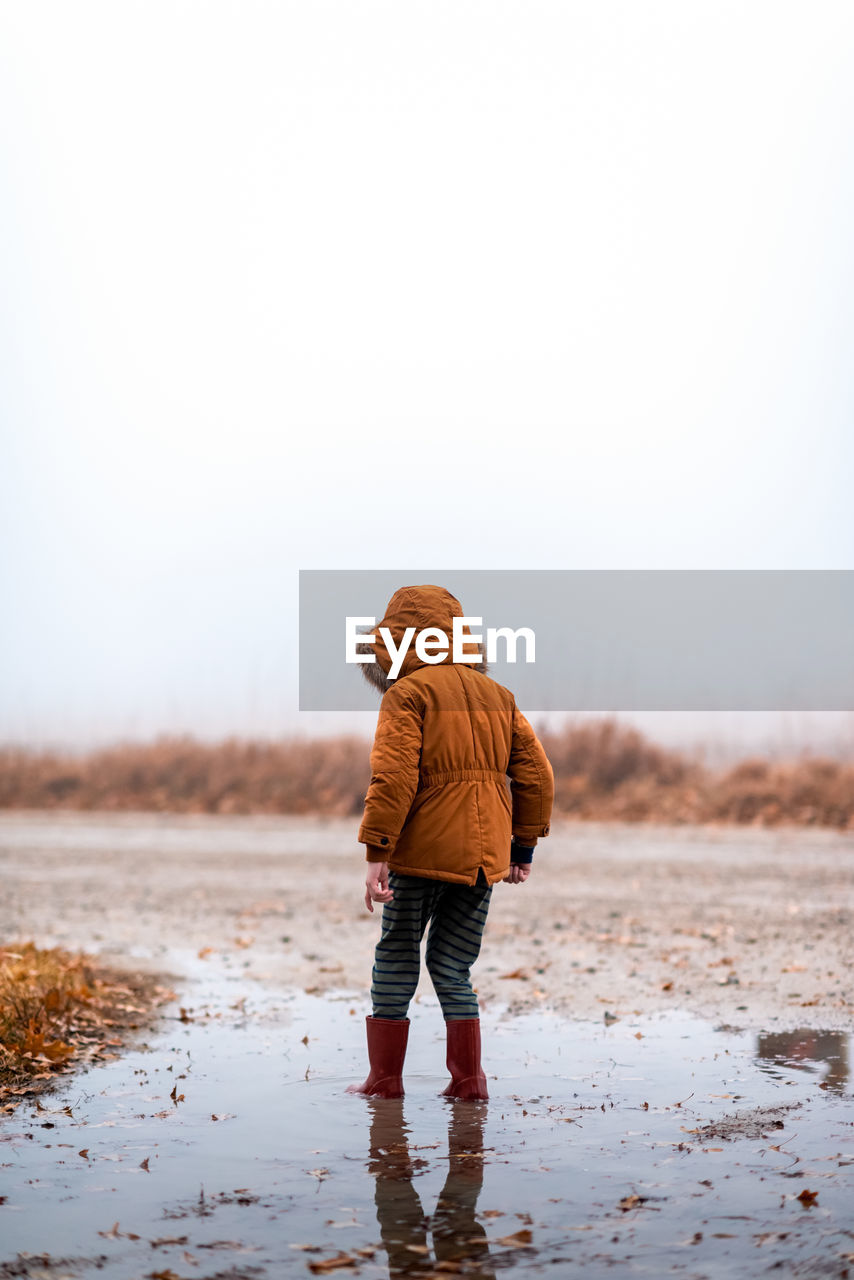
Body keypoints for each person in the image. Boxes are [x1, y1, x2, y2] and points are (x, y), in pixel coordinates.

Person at [347, 584, 554, 1101]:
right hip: (483, 862)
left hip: (418, 856)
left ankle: (384, 1080)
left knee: (397, 954)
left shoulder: (407, 694)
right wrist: (522, 847)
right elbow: (537, 777)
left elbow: (392, 779)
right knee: (453, 963)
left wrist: (378, 853)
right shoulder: (499, 697)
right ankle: (469, 1083)